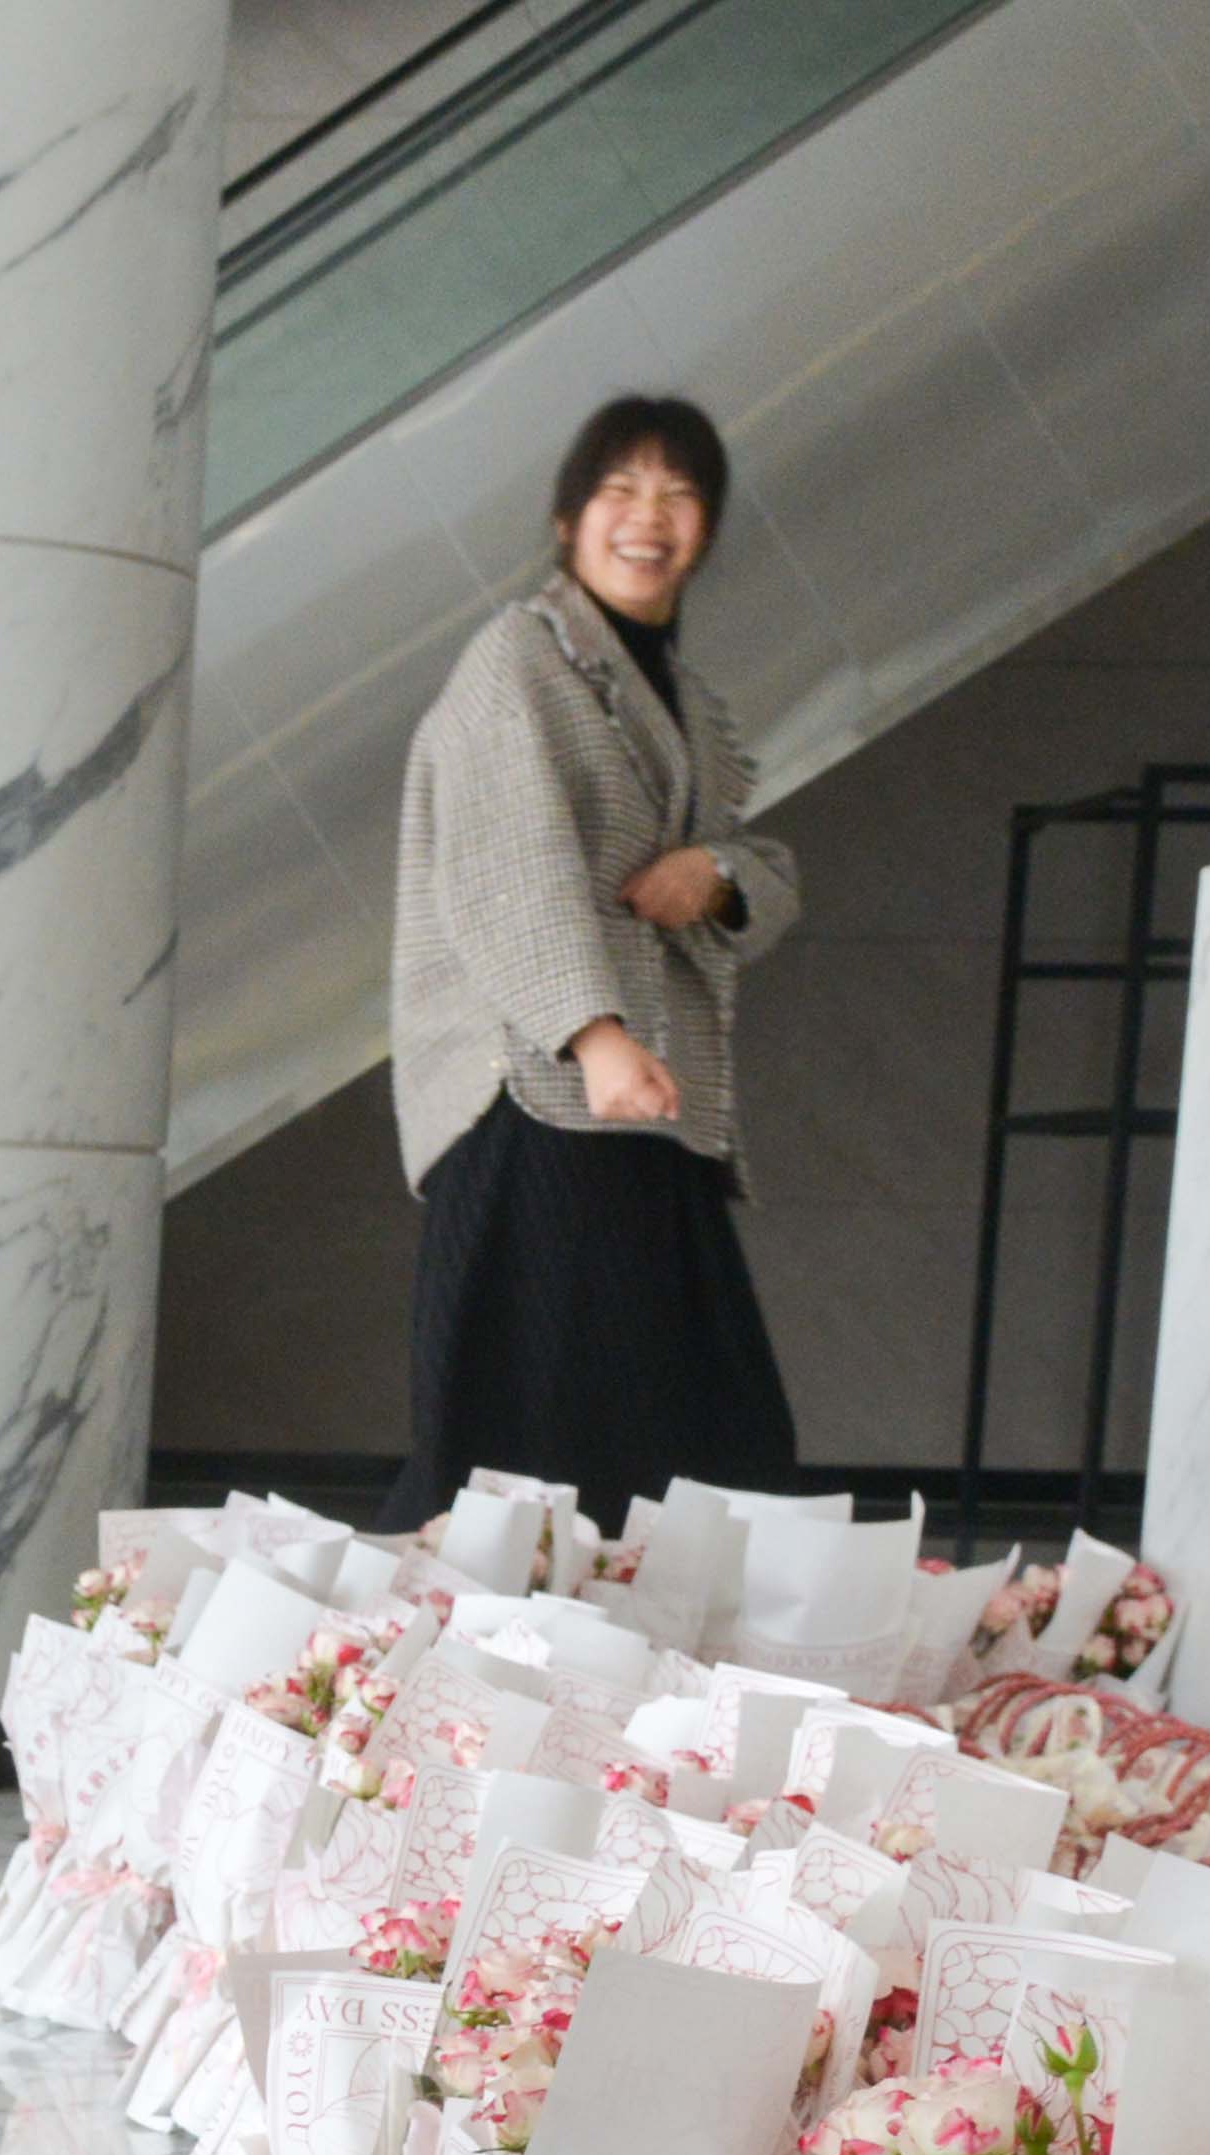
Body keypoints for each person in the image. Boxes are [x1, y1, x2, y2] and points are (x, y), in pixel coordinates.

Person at [386, 392, 808, 1505]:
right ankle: (407, 1669)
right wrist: (596, 1034)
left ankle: (640, 1665)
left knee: (693, 1432)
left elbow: (755, 862)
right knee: (530, 1444)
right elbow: (502, 867)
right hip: (536, 1091)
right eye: (619, 489)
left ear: (706, 528)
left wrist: (713, 879)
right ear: (569, 519)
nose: (648, 516)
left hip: (637, 1107)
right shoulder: (517, 662)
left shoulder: (670, 694)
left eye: (677, 493)